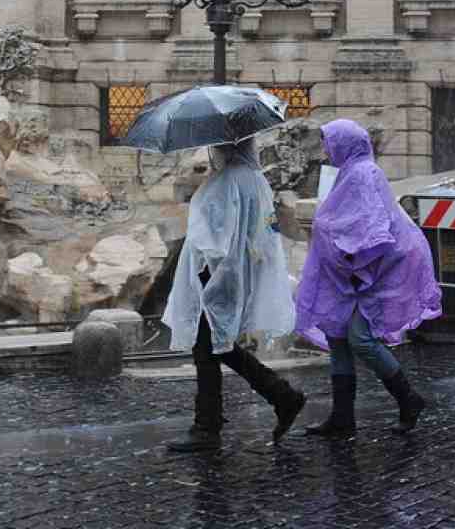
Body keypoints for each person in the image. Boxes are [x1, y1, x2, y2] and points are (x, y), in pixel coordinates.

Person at [292, 120, 440, 437]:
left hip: (376, 268)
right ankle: (342, 417)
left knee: (360, 338)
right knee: (337, 334)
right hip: (352, 270)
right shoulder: (349, 172)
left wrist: (353, 261)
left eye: (329, 142)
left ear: (344, 143)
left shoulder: (362, 173)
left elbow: (373, 228)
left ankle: (408, 399)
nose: (325, 149)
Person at [162, 137, 305, 452]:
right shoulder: (255, 179)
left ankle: (208, 427)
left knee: (207, 348)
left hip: (215, 275)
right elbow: (264, 229)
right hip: (237, 273)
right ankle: (280, 396)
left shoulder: (226, 182)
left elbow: (213, 238)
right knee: (218, 345)